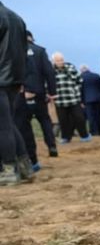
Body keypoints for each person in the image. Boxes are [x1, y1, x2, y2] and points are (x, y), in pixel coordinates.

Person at [0, 1, 34, 186]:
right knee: (8, 124)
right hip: (14, 78)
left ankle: (8, 168)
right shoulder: (16, 17)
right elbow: (23, 49)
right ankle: (25, 166)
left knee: (2, 126)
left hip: (2, 76)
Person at [14, 31, 58, 170]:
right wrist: (52, 92)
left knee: (23, 127)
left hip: (18, 94)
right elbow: (49, 72)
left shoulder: (13, 50)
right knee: (45, 120)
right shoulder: (39, 51)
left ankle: (32, 160)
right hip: (38, 93)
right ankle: (51, 145)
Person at [51, 52, 91, 143]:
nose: (60, 62)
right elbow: (48, 83)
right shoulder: (50, 71)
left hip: (73, 98)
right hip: (60, 100)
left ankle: (85, 136)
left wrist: (76, 91)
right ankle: (66, 137)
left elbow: (79, 80)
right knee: (63, 120)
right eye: (58, 60)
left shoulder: (70, 67)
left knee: (79, 118)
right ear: (53, 61)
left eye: (61, 60)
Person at [80, 64, 100, 136]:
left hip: (87, 100)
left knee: (91, 117)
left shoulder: (81, 77)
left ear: (81, 70)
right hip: (98, 99)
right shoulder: (96, 75)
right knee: (99, 116)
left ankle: (93, 132)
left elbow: (80, 90)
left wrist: (81, 101)